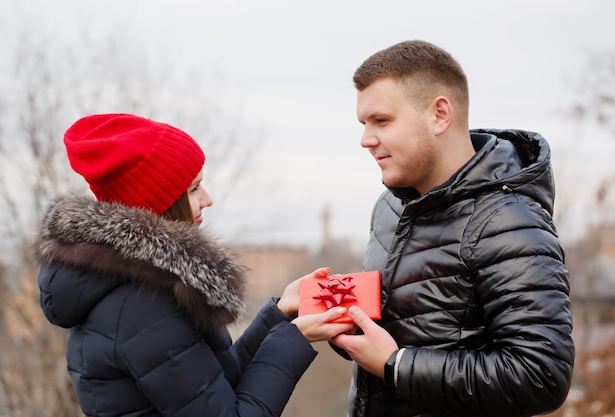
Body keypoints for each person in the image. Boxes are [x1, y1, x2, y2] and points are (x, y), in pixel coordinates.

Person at [32, 113, 353, 417]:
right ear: (161, 201)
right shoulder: (143, 307)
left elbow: (214, 385)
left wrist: (279, 315)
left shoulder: (139, 290)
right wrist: (293, 339)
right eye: (194, 187)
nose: (208, 198)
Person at [330, 40, 575, 417]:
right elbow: (415, 328)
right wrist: (347, 319)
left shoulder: (509, 221)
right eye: (364, 124)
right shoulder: (390, 208)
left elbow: (541, 376)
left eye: (382, 121)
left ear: (440, 115)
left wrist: (396, 365)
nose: (366, 140)